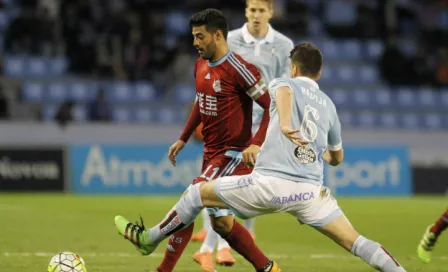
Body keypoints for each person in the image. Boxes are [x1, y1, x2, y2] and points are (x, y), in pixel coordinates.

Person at [114, 42, 407, 272]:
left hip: (271, 185)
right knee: (355, 241)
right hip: (310, 193)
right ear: (318, 73)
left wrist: (283, 124)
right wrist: (318, 155)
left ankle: (148, 239)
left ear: (294, 69)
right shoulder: (330, 106)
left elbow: (282, 97)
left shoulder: (283, 83)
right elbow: (338, 157)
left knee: (196, 193)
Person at [140, 9, 275, 272]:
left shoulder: (241, 69)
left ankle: (150, 242)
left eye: (200, 37)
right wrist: (183, 137)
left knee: (193, 197)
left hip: (232, 154)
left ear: (217, 35)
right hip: (210, 154)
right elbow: (201, 104)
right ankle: (268, 268)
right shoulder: (200, 65)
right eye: (193, 36)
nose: (195, 43)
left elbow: (270, 106)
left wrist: (256, 143)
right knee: (221, 224)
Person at [192, 1, 294, 268]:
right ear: (246, 12)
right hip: (232, 125)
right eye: (252, 10)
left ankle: (218, 244)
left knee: (249, 188)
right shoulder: (231, 39)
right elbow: (210, 73)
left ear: (270, 12)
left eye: (262, 10)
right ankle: (217, 246)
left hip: (265, 128)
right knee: (218, 185)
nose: (257, 16)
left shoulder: (284, 45)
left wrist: (282, 123)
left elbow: (285, 88)